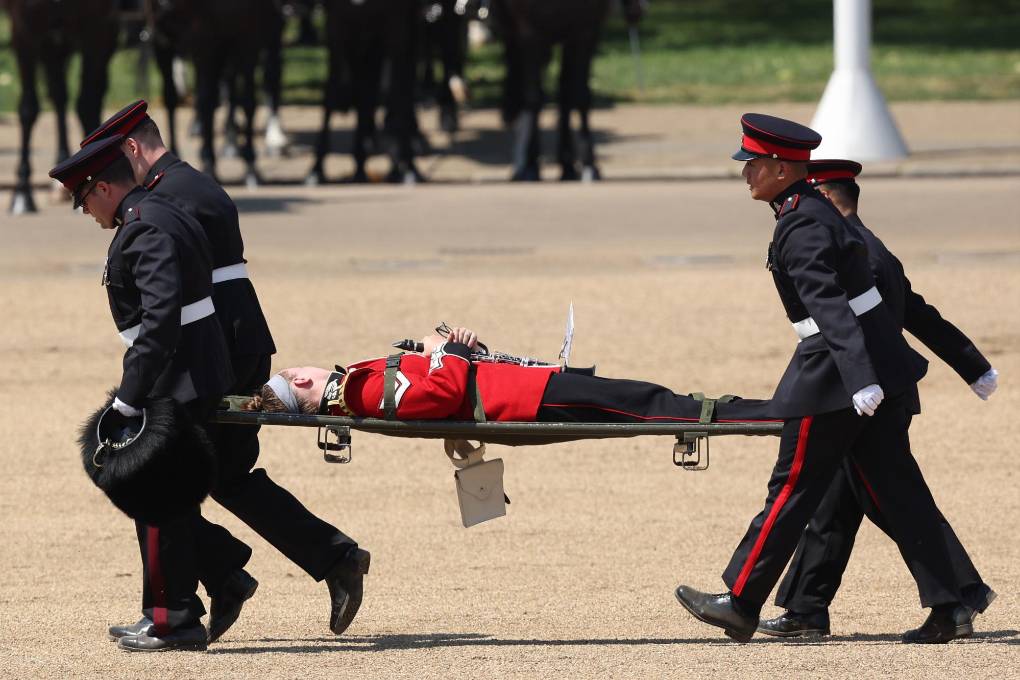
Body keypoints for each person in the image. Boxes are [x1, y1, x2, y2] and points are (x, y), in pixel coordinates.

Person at [673, 113, 987, 644]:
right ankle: (951, 604)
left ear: (780, 168)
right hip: (864, 372)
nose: (745, 173)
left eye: (753, 164)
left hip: (835, 376)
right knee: (899, 495)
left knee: (792, 487)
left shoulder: (801, 223)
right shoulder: (813, 212)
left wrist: (859, 378)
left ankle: (742, 602)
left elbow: (829, 305)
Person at [81, 101, 371, 645]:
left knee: (161, 477)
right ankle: (320, 559)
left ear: (132, 149)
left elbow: (181, 300)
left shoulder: (166, 198)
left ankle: (200, 592)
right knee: (226, 477)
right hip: (231, 344)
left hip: (218, 350)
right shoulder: (186, 185)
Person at [757, 159, 998, 642]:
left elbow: (857, 324)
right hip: (865, 391)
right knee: (835, 504)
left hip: (862, 395)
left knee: (894, 500)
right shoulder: (869, 246)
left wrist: (859, 383)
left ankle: (960, 594)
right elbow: (919, 313)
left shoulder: (853, 250)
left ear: (827, 197)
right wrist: (972, 364)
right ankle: (806, 608)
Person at [50, 136, 235, 651]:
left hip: (175, 376)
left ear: (103, 188)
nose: (86, 211)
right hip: (186, 370)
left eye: (84, 200)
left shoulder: (145, 225)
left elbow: (159, 322)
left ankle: (173, 618)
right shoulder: (157, 212)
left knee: (156, 501)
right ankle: (200, 589)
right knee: (167, 503)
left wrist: (129, 398)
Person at [241, 326, 778, 427]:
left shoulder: (357, 385)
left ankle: (742, 410)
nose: (305, 368)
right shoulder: (359, 391)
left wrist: (453, 351)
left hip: (516, 387)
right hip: (520, 398)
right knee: (644, 402)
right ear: (302, 384)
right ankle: (754, 414)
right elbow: (441, 393)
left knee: (640, 397)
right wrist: (448, 349)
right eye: (297, 372)